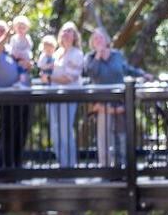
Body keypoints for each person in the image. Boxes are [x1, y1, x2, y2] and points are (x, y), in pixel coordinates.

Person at [84, 27, 152, 167]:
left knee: (121, 136)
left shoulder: (117, 55)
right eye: (95, 39)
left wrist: (143, 74)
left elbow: (127, 69)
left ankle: (122, 167)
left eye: (101, 38)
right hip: (102, 105)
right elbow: (92, 73)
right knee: (104, 138)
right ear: (92, 42)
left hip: (120, 102)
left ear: (106, 39)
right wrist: (98, 55)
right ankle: (106, 168)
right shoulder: (90, 58)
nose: (98, 40)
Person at [0, 19, 31, 169]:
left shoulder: (9, 50)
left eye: (6, 31)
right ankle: (3, 167)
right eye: (2, 31)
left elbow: (22, 65)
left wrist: (28, 64)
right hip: (5, 98)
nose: (6, 34)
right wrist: (6, 35)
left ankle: (16, 165)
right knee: (7, 134)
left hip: (20, 96)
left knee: (20, 132)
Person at [44, 23, 84, 168]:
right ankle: (61, 164)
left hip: (68, 97)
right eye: (64, 31)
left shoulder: (77, 54)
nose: (66, 34)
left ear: (74, 36)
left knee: (65, 130)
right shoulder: (56, 53)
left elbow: (69, 78)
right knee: (55, 131)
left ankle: (69, 166)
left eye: (70, 32)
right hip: (52, 97)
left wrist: (49, 79)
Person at [9, 15, 34, 87]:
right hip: (16, 56)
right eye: (19, 27)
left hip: (25, 56)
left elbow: (29, 47)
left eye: (23, 28)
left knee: (24, 69)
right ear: (15, 28)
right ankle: (18, 81)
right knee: (16, 68)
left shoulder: (27, 38)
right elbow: (12, 48)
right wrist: (15, 54)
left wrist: (23, 55)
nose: (21, 30)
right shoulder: (14, 38)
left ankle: (24, 81)